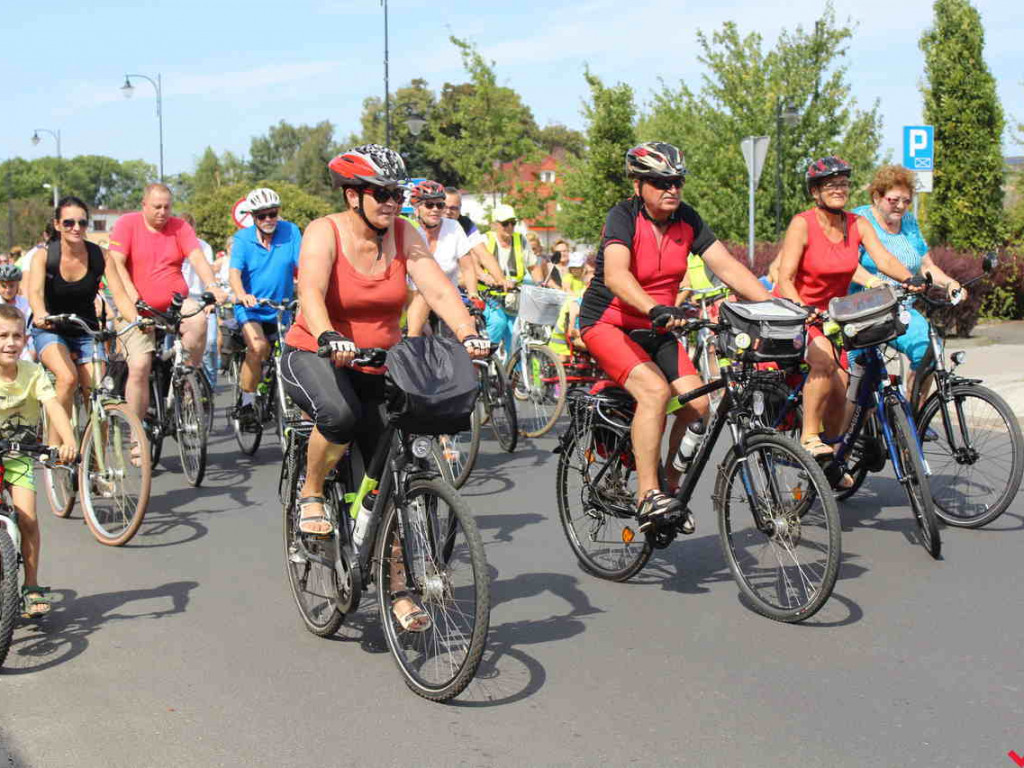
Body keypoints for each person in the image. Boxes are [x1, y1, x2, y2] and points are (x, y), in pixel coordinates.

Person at [278, 144, 488, 632]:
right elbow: (310, 288)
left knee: (392, 475)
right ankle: (312, 494)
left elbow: (436, 287)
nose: (392, 202)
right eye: (382, 193)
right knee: (340, 417)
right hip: (316, 353)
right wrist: (329, 334)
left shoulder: (404, 233)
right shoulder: (323, 231)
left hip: (380, 363)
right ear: (353, 195)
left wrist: (468, 333)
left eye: (397, 193)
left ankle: (397, 588)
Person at [580, 141, 771, 532]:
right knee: (654, 391)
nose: (671, 190)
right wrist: (654, 308)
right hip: (609, 322)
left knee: (700, 404)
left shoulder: (688, 220)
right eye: (659, 182)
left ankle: (669, 483)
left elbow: (727, 267)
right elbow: (616, 275)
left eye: (677, 182)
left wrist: (773, 307)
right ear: (638, 185)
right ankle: (647, 494)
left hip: (658, 326)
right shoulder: (623, 217)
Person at [774, 156, 916, 465]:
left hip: (833, 316)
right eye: (831, 185)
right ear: (815, 192)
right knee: (823, 360)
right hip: (797, 312)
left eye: (843, 184)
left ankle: (831, 463)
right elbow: (783, 278)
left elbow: (883, 259)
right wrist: (802, 308)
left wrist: (911, 278)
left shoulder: (857, 224)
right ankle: (809, 436)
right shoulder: (803, 224)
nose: (839, 189)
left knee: (841, 392)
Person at [107, 184, 228, 423]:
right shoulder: (127, 224)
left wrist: (212, 285)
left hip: (174, 303)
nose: (162, 212)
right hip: (137, 307)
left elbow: (197, 258)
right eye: (157, 207)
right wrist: (132, 296)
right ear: (144, 206)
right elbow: (116, 263)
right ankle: (136, 434)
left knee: (198, 318)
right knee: (140, 367)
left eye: (167, 207)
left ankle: (187, 375)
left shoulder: (180, 227)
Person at [27, 197, 135, 443]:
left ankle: (98, 469)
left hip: (86, 329)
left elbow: (120, 295)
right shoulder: (44, 257)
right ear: (57, 224)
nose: (76, 228)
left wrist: (137, 321)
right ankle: (56, 447)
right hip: (52, 328)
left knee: (99, 396)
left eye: (82, 222)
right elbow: (33, 294)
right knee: (67, 378)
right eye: (68, 222)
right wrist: (42, 315)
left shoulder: (100, 256)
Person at [851, 164, 962, 398]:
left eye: (906, 201)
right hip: (862, 311)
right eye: (894, 200)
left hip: (901, 310)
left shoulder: (909, 222)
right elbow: (848, 266)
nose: (901, 206)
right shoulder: (858, 220)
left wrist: (951, 284)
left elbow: (926, 265)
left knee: (931, 353)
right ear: (877, 196)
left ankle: (914, 422)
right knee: (862, 384)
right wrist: (873, 282)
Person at [0, 303, 77, 617]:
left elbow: (53, 405)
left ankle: (31, 587)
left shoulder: (32, 373)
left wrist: (68, 440)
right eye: (2, 335)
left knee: (28, 519)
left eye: (17, 335)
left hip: (19, 456)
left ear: (26, 339)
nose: (10, 342)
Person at [229, 188, 301, 427]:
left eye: (273, 214)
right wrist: (242, 295)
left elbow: (305, 267)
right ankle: (247, 400)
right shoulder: (242, 239)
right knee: (259, 347)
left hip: (282, 307)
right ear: (253, 217)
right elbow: (234, 274)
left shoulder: (291, 231)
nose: (269, 220)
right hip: (251, 308)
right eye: (262, 216)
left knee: (297, 353)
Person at [402, 180, 481, 337]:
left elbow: (467, 268)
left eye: (440, 205)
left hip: (448, 300)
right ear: (417, 207)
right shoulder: (409, 231)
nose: (436, 210)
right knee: (416, 343)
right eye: (429, 205)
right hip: (415, 299)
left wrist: (473, 296)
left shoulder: (453, 227)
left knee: (467, 338)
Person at [180, 213, 221, 388]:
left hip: (202, 299)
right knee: (174, 347)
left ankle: (210, 386)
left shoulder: (204, 247)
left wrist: (210, 300)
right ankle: (179, 387)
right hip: (180, 300)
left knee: (210, 343)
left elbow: (208, 274)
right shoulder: (172, 245)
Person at [0, 265, 35, 361]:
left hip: (21, 344)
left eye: (11, 286)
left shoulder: (25, 304)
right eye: (4, 286)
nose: (8, 290)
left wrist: (31, 351)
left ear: (17, 286)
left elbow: (29, 330)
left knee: (29, 360)